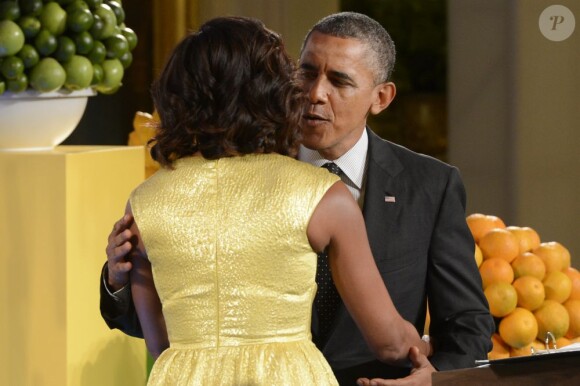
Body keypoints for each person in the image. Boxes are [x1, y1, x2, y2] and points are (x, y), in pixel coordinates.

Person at [101, 12, 494, 385]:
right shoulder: (308, 190)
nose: (316, 94)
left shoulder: (430, 185)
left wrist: (438, 375)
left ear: (381, 97)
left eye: (339, 81)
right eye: (305, 73)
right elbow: (392, 340)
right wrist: (116, 283)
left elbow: (466, 321)